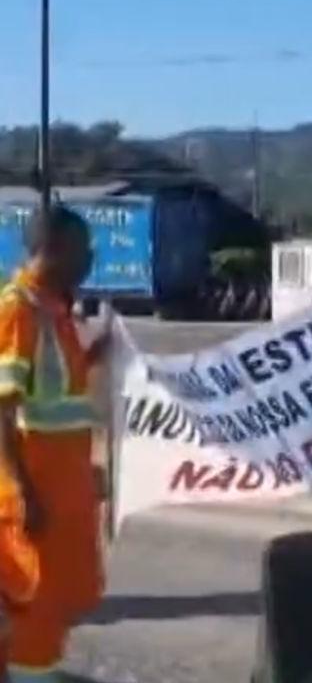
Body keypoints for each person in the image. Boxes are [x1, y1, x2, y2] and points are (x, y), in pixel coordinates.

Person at [0, 206, 107, 682]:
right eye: (86, 248)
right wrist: (24, 493)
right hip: (32, 505)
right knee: (31, 628)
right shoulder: (17, 310)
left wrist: (94, 355)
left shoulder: (52, 310)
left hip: (60, 499)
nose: (92, 258)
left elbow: (56, 399)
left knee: (52, 615)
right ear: (57, 248)